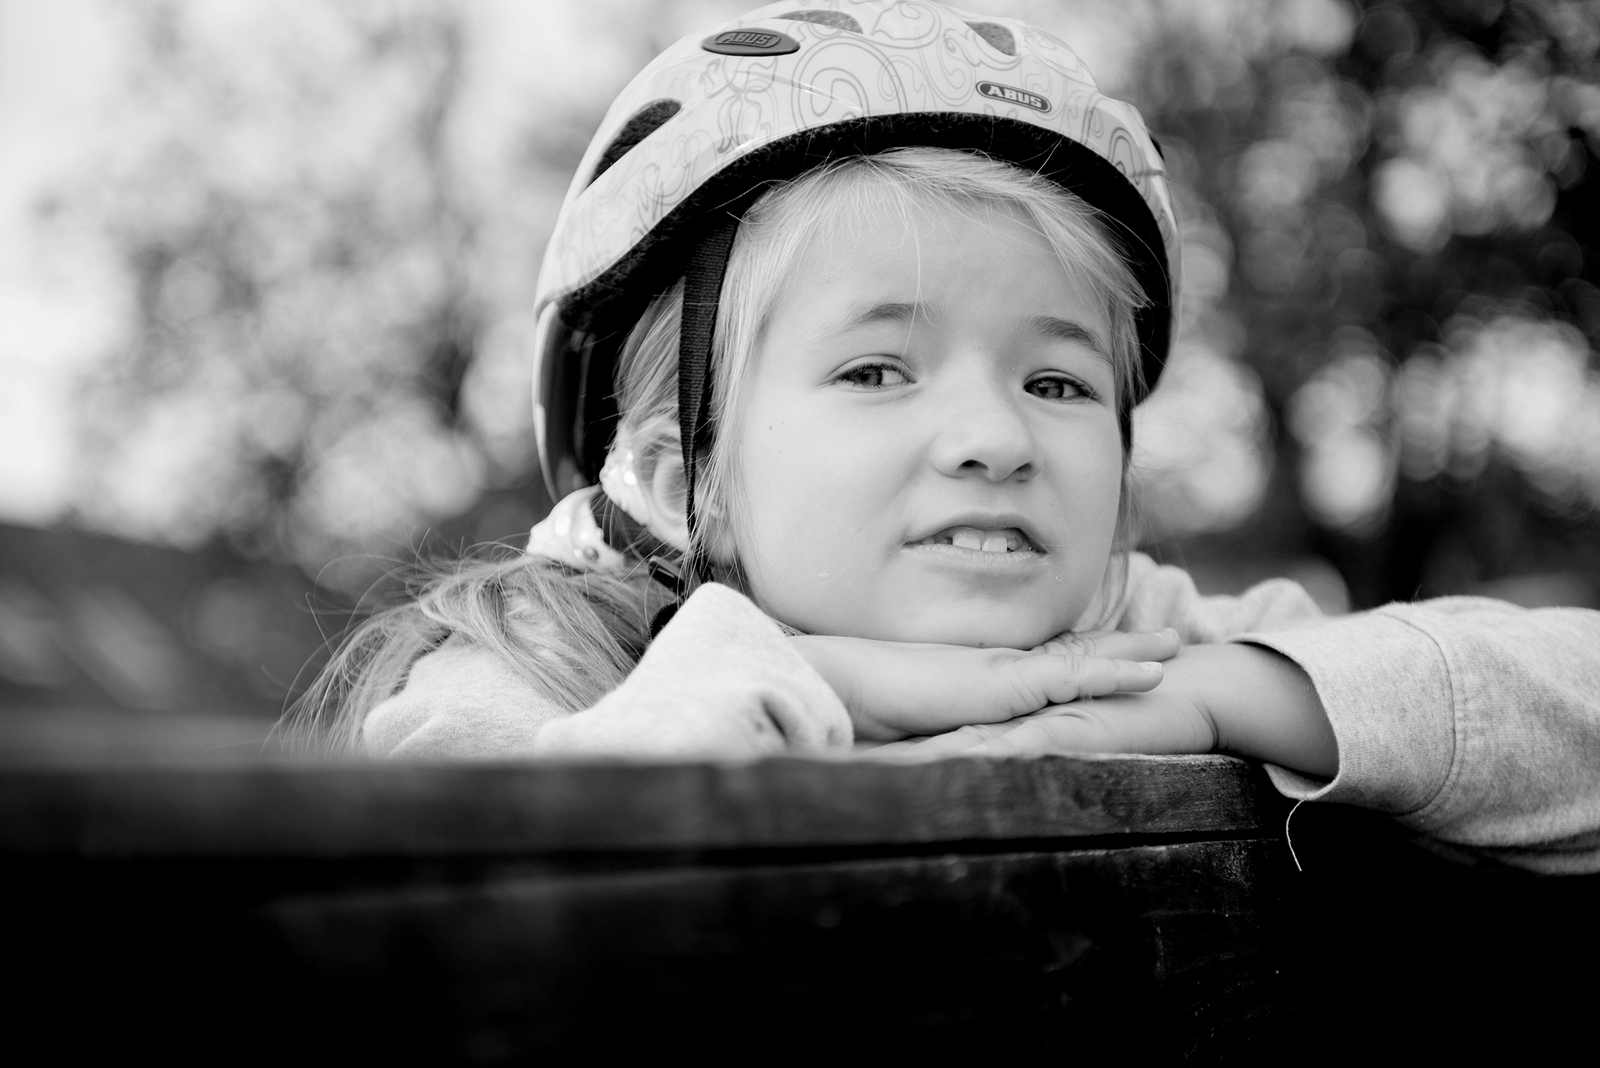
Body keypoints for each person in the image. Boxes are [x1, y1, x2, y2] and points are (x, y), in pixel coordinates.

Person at [282, 0, 1600, 875]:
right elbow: (465, 908)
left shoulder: (1129, 639)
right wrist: (806, 683)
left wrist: (1223, 694)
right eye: (876, 369)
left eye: (1060, 382)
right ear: (681, 475)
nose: (994, 436)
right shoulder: (537, 664)